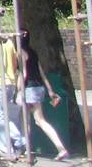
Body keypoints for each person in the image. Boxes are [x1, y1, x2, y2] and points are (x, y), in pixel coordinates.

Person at [18, 30, 70, 160]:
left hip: (29, 89)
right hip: (39, 88)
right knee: (25, 117)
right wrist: (50, 90)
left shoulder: (21, 52)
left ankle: (59, 148)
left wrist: (18, 89)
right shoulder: (33, 53)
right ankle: (26, 147)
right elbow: (41, 72)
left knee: (36, 120)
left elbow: (23, 73)